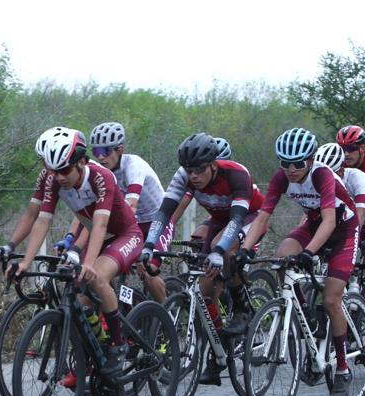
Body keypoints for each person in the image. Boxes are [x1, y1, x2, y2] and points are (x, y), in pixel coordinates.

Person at [13, 128, 144, 377]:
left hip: (125, 234)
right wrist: (25, 261)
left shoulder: (101, 177)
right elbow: (41, 220)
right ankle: (94, 354)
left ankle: (118, 346)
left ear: (82, 162)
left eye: (64, 171)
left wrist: (89, 263)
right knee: (80, 302)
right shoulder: (51, 179)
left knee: (98, 277)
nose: (58, 177)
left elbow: (101, 224)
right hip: (97, 235)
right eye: (53, 171)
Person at [240, 129, 359, 396]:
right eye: (285, 163)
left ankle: (341, 368)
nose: (291, 170)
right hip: (314, 225)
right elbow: (262, 217)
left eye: (298, 164)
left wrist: (309, 252)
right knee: (282, 257)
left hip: (343, 230)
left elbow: (330, 221)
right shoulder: (281, 178)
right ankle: (306, 312)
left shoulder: (322, 174)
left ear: (311, 159)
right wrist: (245, 249)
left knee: (331, 300)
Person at [140, 133, 264, 384]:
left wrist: (218, 253)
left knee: (223, 250)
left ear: (214, 165)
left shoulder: (237, 174)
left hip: (250, 217)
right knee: (205, 292)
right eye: (188, 170)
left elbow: (238, 219)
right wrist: (150, 245)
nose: (192, 175)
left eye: (198, 169)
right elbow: (164, 214)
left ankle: (242, 309)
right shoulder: (184, 176)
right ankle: (219, 352)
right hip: (219, 219)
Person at [88, 121, 173, 302]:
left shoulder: (134, 166)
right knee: (98, 268)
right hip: (133, 225)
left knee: (148, 270)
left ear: (120, 149)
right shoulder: (102, 172)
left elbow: (130, 206)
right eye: (96, 152)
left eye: (105, 151)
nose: (100, 157)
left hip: (157, 222)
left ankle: (168, 321)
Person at [314, 142, 365, 316]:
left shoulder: (357, 178)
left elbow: (361, 213)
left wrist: (352, 242)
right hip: (348, 221)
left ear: (341, 171)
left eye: (331, 174)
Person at [0, 126, 68, 266]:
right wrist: (10, 246)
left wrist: (72, 241)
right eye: (43, 161)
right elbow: (32, 216)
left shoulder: (78, 173)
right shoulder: (46, 176)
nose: (46, 166)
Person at [170, 137, 234, 242]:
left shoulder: (233, 177)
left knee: (220, 245)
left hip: (241, 219)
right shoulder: (197, 180)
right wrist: (167, 230)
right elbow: (182, 202)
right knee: (197, 239)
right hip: (218, 218)